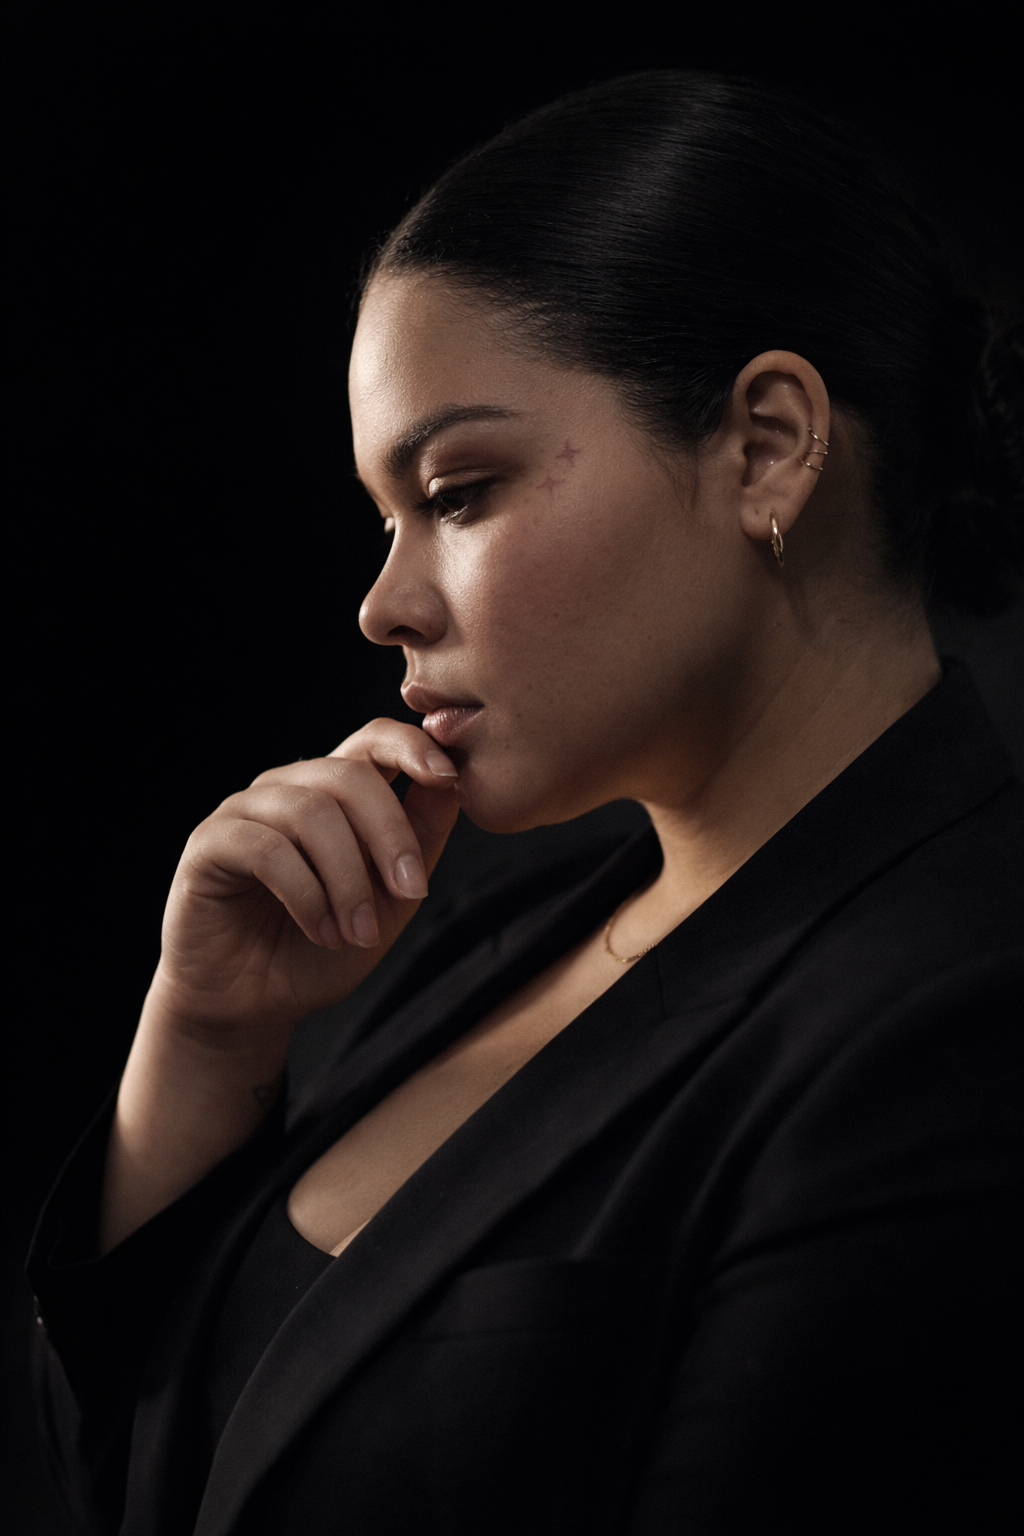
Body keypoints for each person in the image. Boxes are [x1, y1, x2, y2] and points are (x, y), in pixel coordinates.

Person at [30, 71, 1022, 1536]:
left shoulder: (967, 1010)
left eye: (462, 490)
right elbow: (132, 1473)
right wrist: (205, 1045)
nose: (381, 606)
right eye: (387, 517)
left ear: (765, 443)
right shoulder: (479, 934)